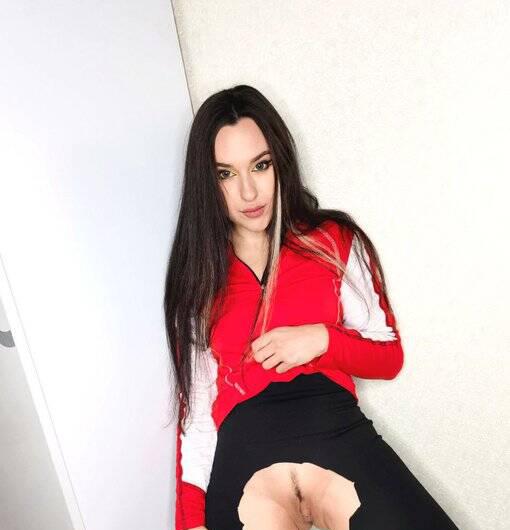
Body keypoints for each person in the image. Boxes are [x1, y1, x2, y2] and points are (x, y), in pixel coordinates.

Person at [164, 85, 460, 530]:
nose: (248, 191)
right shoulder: (200, 277)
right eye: (225, 174)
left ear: (279, 162)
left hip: (332, 425)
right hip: (242, 444)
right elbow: (197, 416)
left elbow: (388, 357)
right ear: (208, 183)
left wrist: (321, 340)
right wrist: (189, 522)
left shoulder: (332, 241)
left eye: (260, 165)